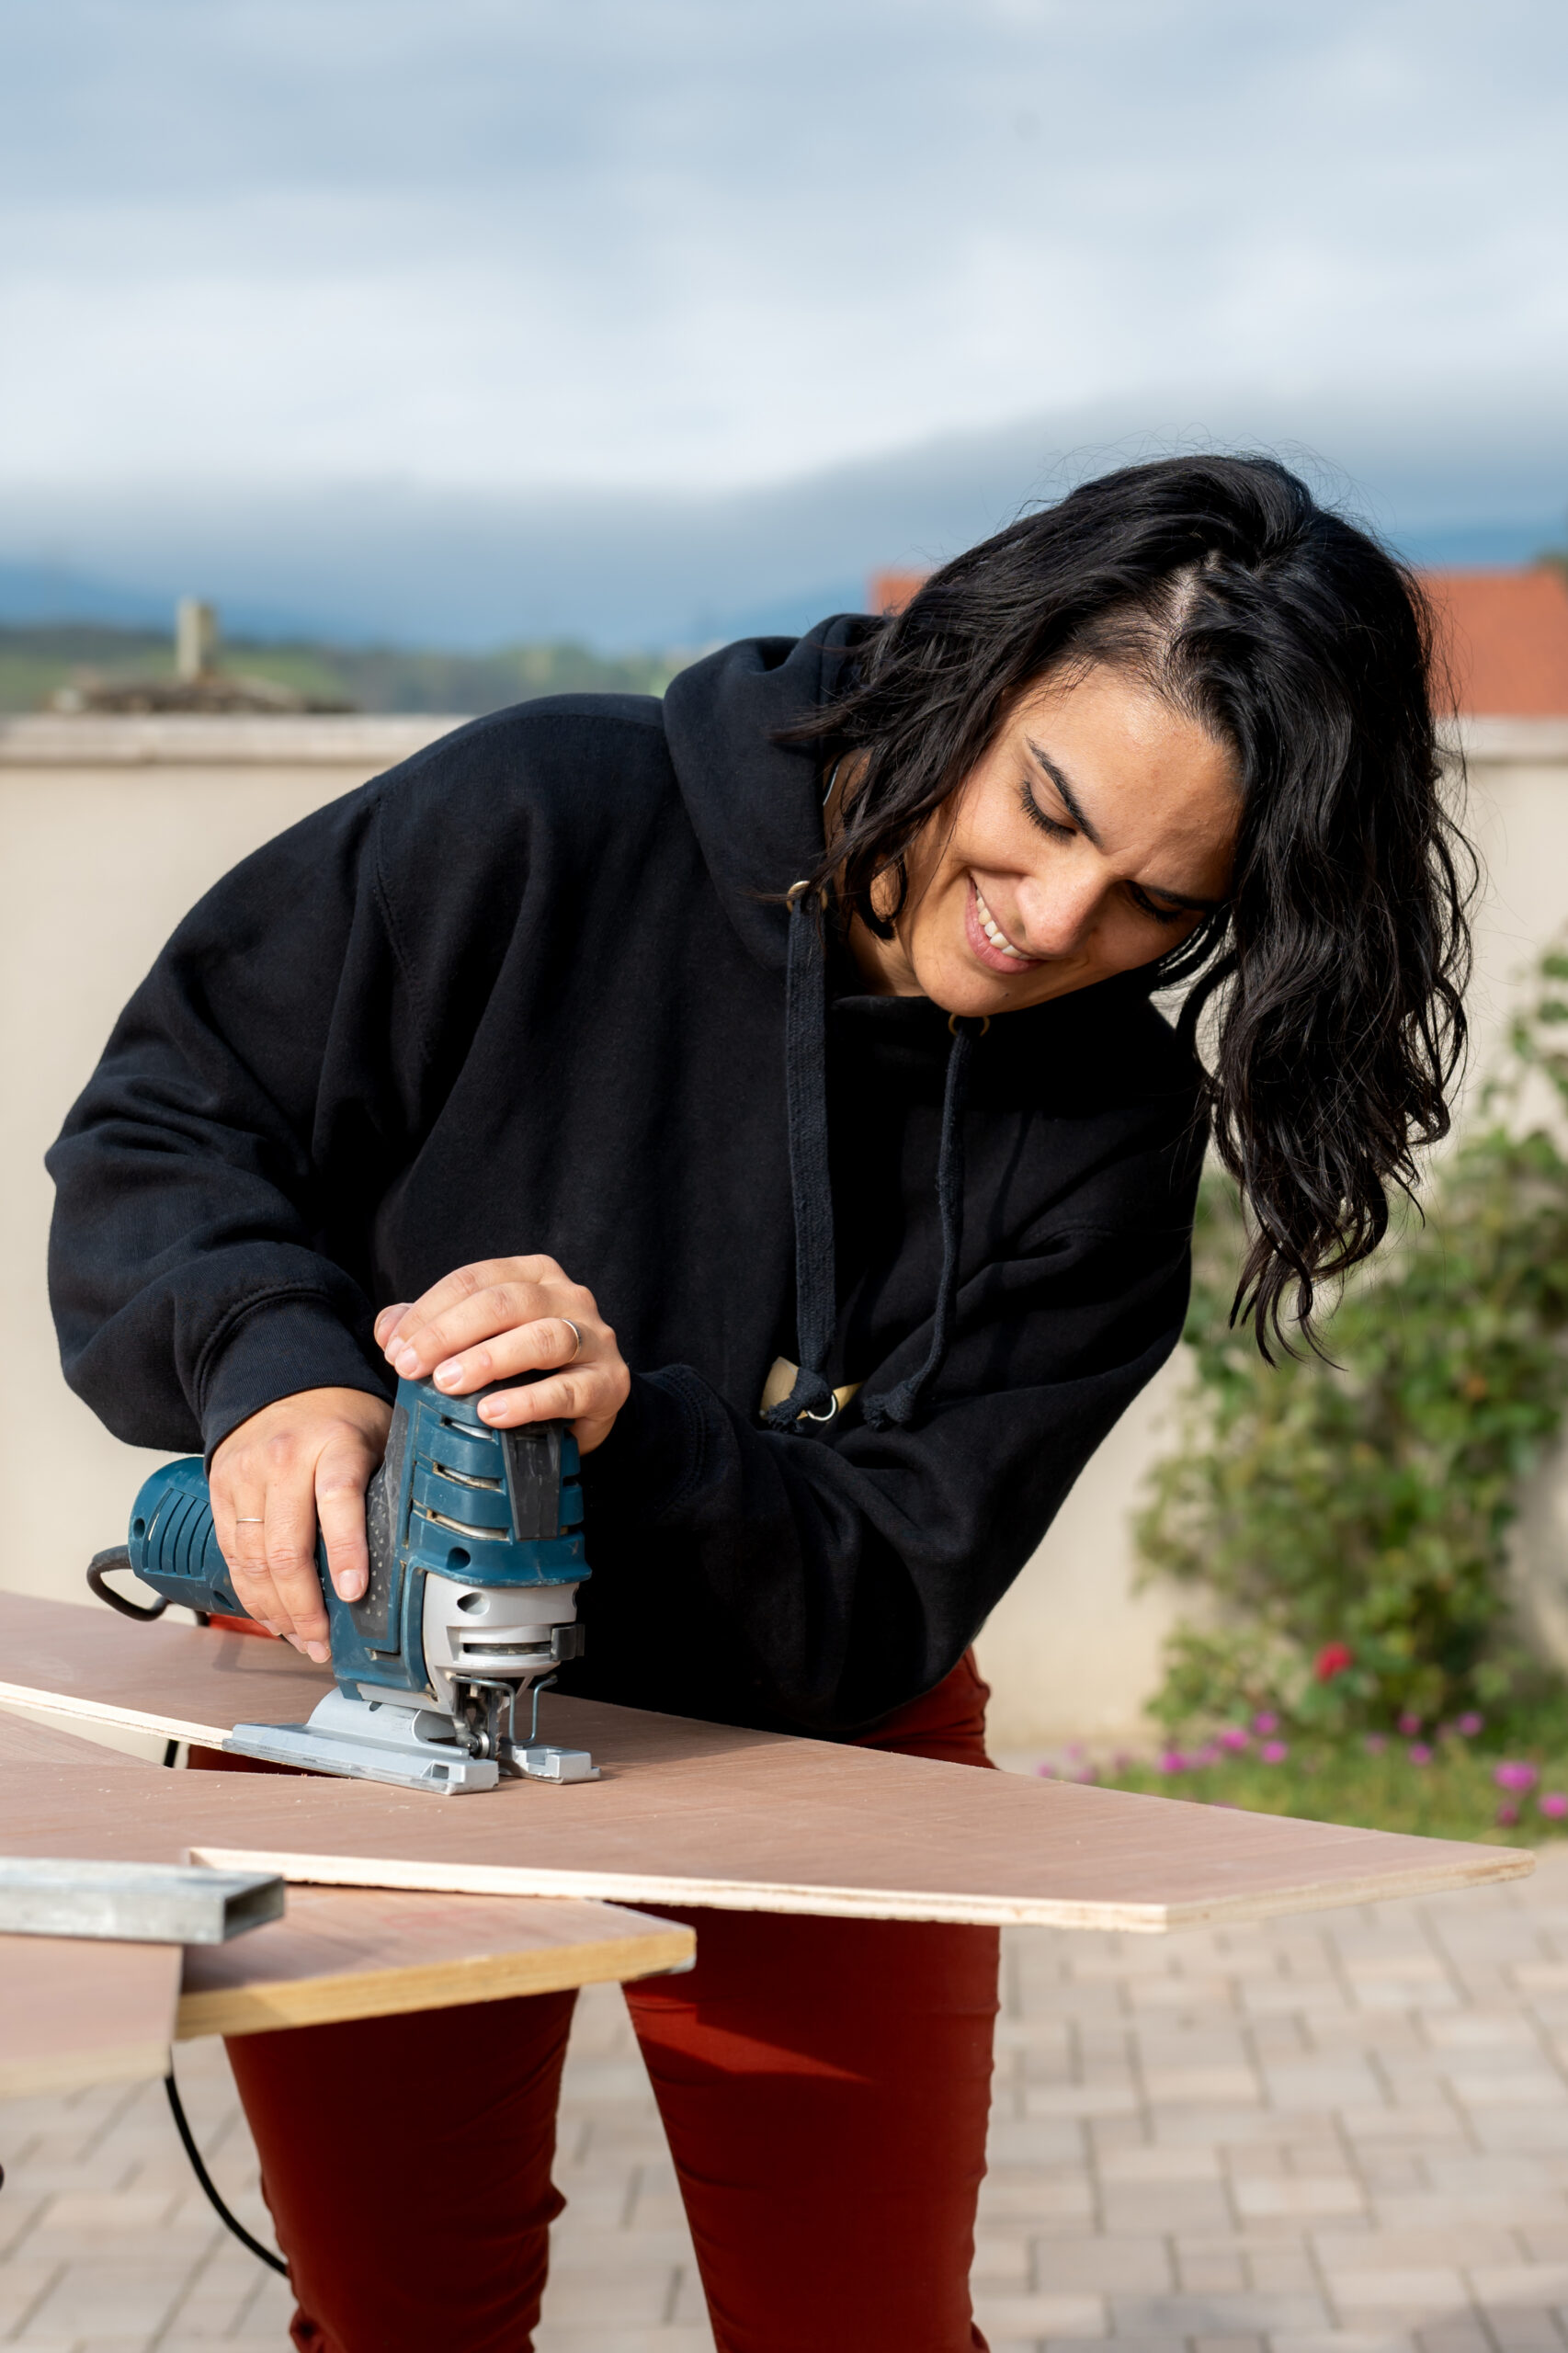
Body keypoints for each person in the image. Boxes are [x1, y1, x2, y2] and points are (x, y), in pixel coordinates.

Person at [48, 455, 1471, 2353]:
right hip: (363, 1701)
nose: (1049, 920)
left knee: (860, 2327)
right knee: (401, 2320)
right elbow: (167, 1119)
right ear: (976, 662)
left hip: (817, 1741)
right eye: (1044, 811)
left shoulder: (1104, 1133)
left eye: (1153, 903)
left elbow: (896, 1569)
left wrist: (636, 1432)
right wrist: (276, 1375)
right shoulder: (543, 810)